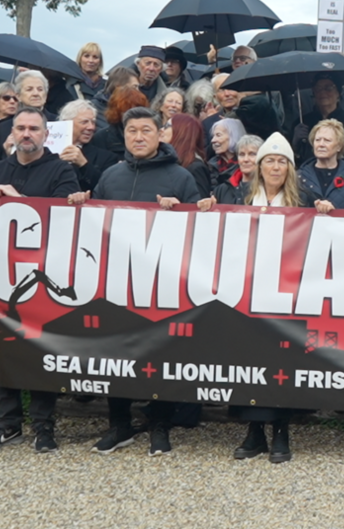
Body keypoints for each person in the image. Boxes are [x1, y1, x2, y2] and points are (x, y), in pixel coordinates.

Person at [73, 107, 201, 457]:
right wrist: (85, 202)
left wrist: (182, 211)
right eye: (132, 131)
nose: (139, 137)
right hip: (115, 282)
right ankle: (120, 425)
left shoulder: (181, 177)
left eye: (147, 130)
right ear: (124, 136)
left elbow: (202, 231)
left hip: (162, 284)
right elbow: (94, 228)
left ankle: (160, 425)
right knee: (116, 353)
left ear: (162, 135)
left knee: (160, 355)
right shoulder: (110, 177)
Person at [0, 108, 80, 453]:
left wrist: (20, 203)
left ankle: (44, 426)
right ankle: (7, 425)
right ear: (10, 134)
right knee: (2, 350)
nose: (27, 134)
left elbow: (65, 228)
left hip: (42, 280)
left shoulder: (62, 172)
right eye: (20, 128)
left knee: (38, 351)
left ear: (46, 135)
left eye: (34, 128)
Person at [211, 132, 305, 462]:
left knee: (280, 365)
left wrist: (324, 211)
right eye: (270, 161)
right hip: (247, 291)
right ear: (260, 166)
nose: (275, 167)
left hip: (284, 293)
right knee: (248, 363)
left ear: (290, 168)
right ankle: (253, 434)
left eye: (282, 161)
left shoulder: (302, 201)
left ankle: (281, 433)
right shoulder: (240, 197)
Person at [297, 120, 344, 211]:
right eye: (317, 140)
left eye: (327, 140)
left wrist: (335, 213)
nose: (321, 144)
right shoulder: (299, 176)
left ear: (339, 146)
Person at [294, 74, 344, 163]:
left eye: (329, 88)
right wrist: (295, 144)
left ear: (338, 93)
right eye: (318, 88)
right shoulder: (303, 122)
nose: (323, 92)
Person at [56, 100, 117, 193]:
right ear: (66, 123)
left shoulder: (106, 158)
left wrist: (84, 164)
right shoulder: (45, 151)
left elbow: (106, 189)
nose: (91, 127)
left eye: (93, 122)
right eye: (84, 122)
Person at [92, 87, 149, 158]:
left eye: (137, 110)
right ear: (117, 112)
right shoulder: (102, 138)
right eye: (127, 111)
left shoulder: (150, 134)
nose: (133, 115)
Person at [168, 114, 214, 198]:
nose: (161, 130)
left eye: (167, 126)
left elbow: (199, 205)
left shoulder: (195, 167)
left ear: (181, 131)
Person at [211, 135, 263, 205]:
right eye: (242, 154)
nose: (246, 159)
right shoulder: (221, 190)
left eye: (252, 154)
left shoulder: (269, 189)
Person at [208, 117, 246, 187]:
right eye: (213, 136)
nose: (213, 140)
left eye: (218, 135)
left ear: (234, 136)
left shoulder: (245, 164)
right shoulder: (211, 165)